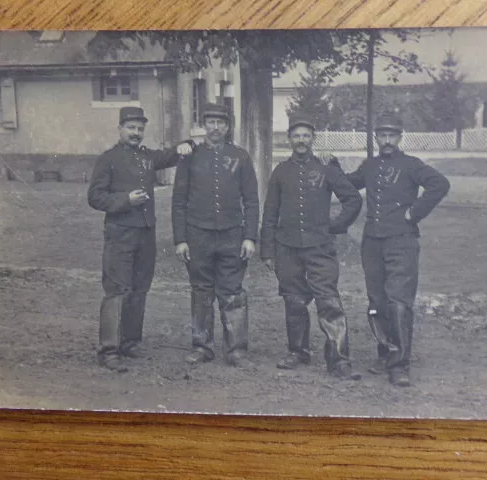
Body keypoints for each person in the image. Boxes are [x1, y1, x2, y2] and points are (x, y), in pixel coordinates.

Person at [344, 111, 450, 387]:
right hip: (372, 243)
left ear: (400, 137)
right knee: (377, 302)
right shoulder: (370, 165)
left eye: (392, 135)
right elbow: (350, 183)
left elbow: (440, 184)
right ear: (376, 137)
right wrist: (329, 168)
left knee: (399, 302)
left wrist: (414, 213)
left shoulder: (411, 165)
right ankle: (385, 354)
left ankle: (400, 364)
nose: (387, 140)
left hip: (401, 241)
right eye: (383, 135)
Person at [88, 106, 194, 372]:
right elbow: (95, 197)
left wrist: (188, 144)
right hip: (120, 235)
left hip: (146, 234)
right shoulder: (108, 159)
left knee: (139, 290)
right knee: (117, 291)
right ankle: (109, 349)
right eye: (131, 128)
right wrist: (126, 200)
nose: (136, 133)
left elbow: (169, 156)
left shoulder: (147, 157)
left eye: (140, 128)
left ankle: (130, 342)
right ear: (120, 129)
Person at [260, 114, 363, 380]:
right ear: (289, 139)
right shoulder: (280, 171)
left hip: (320, 247)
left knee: (328, 300)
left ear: (313, 139)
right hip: (288, 247)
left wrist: (336, 225)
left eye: (306, 135)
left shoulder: (327, 168)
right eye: (296, 136)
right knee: (293, 300)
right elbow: (270, 213)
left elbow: (352, 198)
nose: (301, 140)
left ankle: (339, 358)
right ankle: (298, 351)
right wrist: (268, 251)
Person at [172, 103, 259, 367]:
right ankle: (201, 346)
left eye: (221, 122)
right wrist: (180, 239)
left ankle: (236, 350)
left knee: (232, 292)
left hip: (232, 236)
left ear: (228, 126)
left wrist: (249, 237)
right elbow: (178, 201)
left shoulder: (241, 157)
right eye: (210, 122)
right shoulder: (190, 157)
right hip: (198, 236)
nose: (215, 127)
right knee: (201, 292)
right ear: (203, 125)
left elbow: (252, 200)